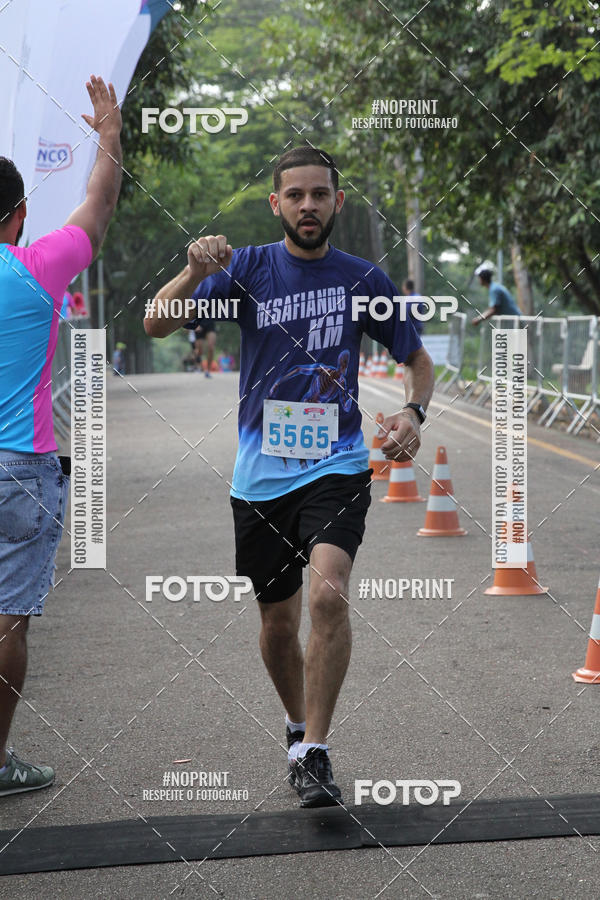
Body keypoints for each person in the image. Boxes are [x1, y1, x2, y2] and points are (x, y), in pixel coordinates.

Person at [144, 146, 434, 808]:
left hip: (335, 466)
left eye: (319, 194)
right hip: (260, 479)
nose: (308, 205)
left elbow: (417, 359)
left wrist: (415, 412)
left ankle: (316, 750)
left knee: (329, 596)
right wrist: (191, 272)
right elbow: (156, 321)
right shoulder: (245, 269)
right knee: (278, 624)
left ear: (337, 201)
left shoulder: (364, 280)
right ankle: (297, 724)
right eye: (295, 195)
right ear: (276, 204)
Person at [0, 75, 122, 796]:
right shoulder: (37, 268)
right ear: (16, 215)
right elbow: (97, 210)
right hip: (22, 470)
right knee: (9, 622)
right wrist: (107, 137)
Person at [471, 260, 521, 325]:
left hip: (514, 322)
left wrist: (479, 319)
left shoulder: (494, 289)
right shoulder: (494, 287)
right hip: (512, 321)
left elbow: (493, 310)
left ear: (482, 279)